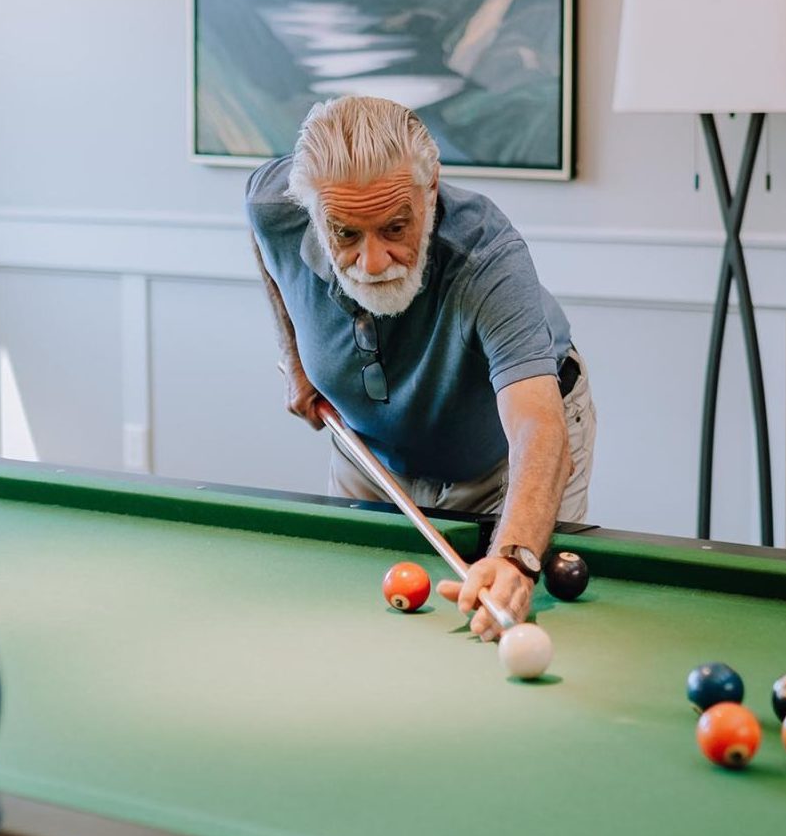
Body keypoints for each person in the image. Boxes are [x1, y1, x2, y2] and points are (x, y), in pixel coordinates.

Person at [248, 95, 594, 639]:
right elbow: (262, 235)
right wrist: (294, 357)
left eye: (394, 228)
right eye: (345, 233)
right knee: (355, 625)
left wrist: (516, 558)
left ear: (430, 187)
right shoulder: (276, 203)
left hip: (501, 460)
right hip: (369, 451)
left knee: (503, 601)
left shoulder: (486, 257)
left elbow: (537, 426)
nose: (372, 262)